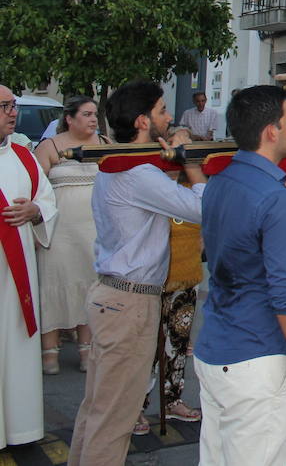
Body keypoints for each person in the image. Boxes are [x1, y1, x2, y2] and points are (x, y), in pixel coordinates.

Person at [68, 80, 206, 466]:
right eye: (163, 111)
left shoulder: (124, 165)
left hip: (116, 297)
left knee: (98, 410)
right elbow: (200, 209)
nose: (169, 118)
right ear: (144, 121)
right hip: (129, 302)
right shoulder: (136, 173)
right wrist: (192, 164)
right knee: (115, 419)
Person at [194, 85, 286, 465]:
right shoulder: (275, 199)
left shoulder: (219, 183)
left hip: (214, 349)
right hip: (255, 360)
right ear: (271, 131)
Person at [133, 126, 204, 436]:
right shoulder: (153, 183)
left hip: (186, 279)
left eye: (188, 146)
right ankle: (134, 406)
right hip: (153, 280)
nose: (182, 152)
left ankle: (172, 399)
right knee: (145, 348)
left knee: (177, 343)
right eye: (177, 145)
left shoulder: (196, 185)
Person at [0, 84, 57, 449]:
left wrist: (36, 211)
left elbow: (47, 199)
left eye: (13, 105)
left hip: (17, 273)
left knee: (15, 348)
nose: (13, 113)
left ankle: (19, 429)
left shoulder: (23, 156)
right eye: (5, 106)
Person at [34, 95, 104, 375]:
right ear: (69, 119)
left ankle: (87, 351)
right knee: (56, 285)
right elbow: (36, 189)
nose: (93, 119)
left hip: (96, 231)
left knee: (89, 285)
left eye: (95, 114)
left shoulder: (105, 144)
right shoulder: (50, 146)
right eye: (86, 114)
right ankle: (50, 352)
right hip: (61, 230)